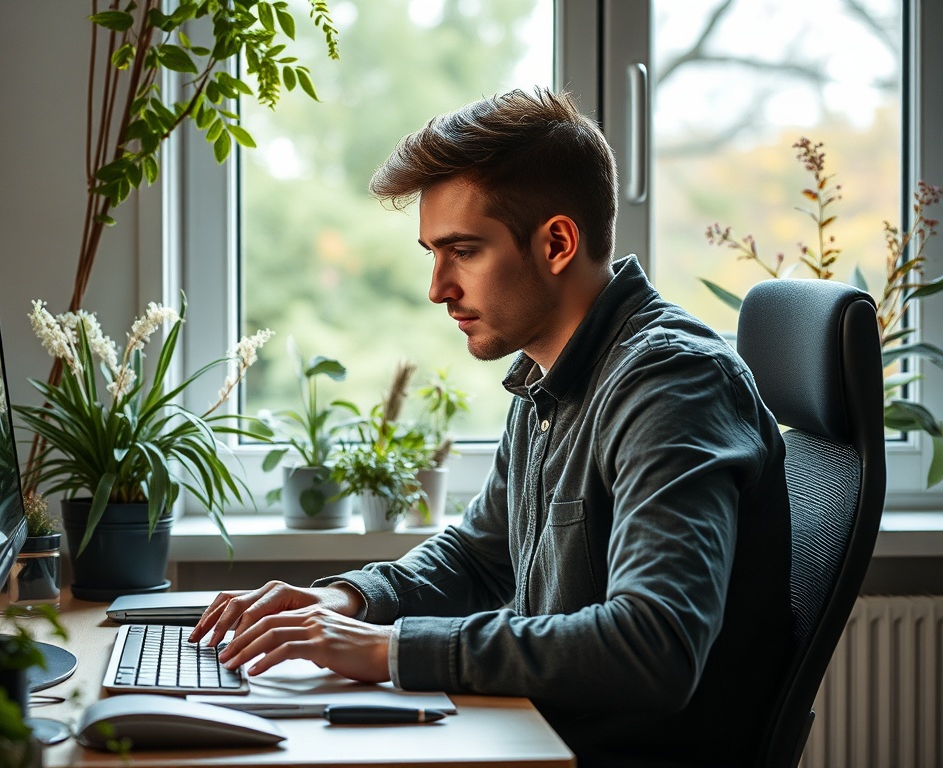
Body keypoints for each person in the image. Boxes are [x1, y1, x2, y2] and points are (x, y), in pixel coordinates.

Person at [189, 88, 794, 767]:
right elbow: (479, 557)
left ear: (557, 243)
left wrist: (387, 651)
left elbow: (654, 644)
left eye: (463, 250)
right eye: (432, 254)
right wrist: (348, 599)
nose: (438, 287)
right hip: (537, 738)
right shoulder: (547, 376)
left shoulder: (672, 383)